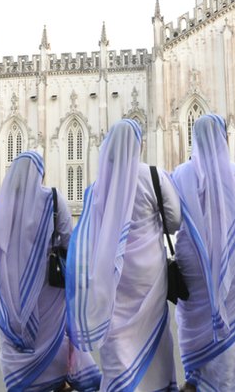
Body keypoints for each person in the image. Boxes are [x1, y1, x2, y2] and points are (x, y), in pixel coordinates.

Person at [66, 119, 182, 391]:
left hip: (112, 272)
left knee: (116, 331)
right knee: (152, 327)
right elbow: (175, 220)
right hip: (150, 274)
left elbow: (90, 234)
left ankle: (120, 384)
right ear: (138, 145)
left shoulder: (97, 187)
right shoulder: (154, 175)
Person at [0, 151, 101, 392]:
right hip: (48, 288)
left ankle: (26, 383)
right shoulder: (52, 199)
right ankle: (58, 382)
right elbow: (68, 241)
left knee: (17, 339)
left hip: (10, 292)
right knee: (53, 336)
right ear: (40, 175)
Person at [171, 114, 235, 392]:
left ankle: (198, 376)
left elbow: (175, 217)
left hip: (192, 255)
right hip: (233, 253)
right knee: (231, 317)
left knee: (194, 316)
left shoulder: (180, 173)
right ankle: (224, 382)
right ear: (224, 138)